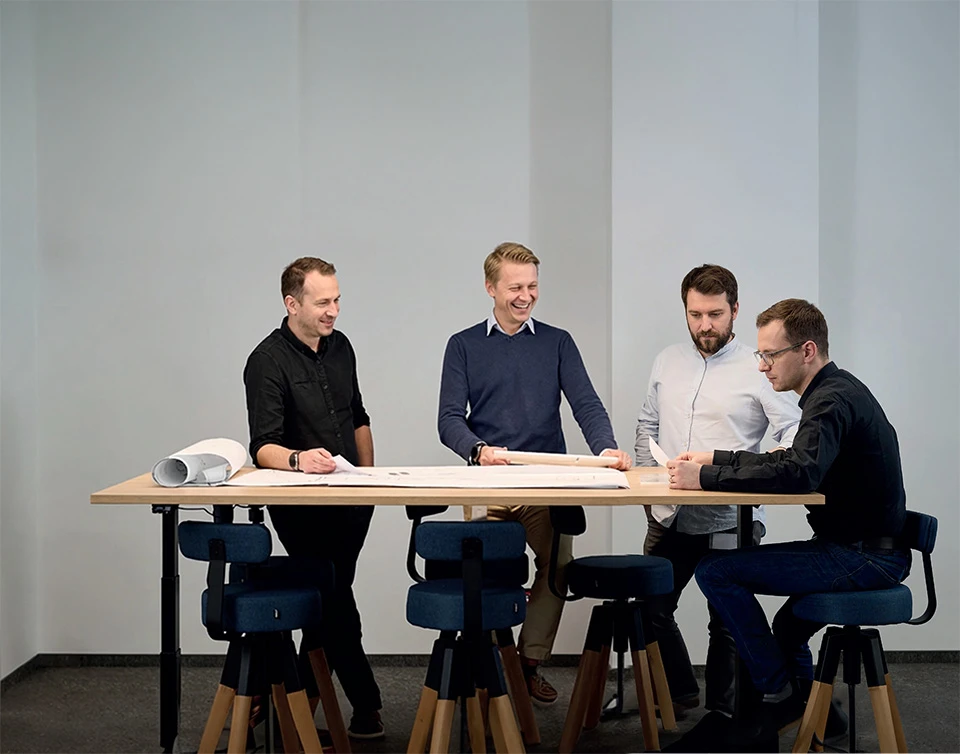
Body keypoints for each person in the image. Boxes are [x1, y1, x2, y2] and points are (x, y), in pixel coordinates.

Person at [667, 298, 910, 750]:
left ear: (807, 351)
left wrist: (705, 477)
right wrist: (717, 459)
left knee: (715, 571)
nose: (761, 367)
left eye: (769, 355)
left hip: (862, 556)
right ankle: (806, 709)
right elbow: (792, 460)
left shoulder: (831, 400)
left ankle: (775, 695)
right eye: (759, 355)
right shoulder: (833, 391)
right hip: (861, 548)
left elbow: (799, 472)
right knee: (789, 622)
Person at [438, 241, 632, 705]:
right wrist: (478, 450)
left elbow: (585, 403)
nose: (525, 296)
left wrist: (605, 447)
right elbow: (449, 419)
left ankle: (528, 663)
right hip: (489, 480)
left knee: (559, 567)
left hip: (548, 482)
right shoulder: (463, 345)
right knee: (481, 572)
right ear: (490, 288)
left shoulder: (557, 341)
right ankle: (492, 665)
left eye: (532, 286)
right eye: (515, 287)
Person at [634, 265, 800, 733]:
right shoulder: (667, 359)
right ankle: (682, 693)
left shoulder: (759, 365)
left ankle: (724, 716)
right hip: (667, 514)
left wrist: (749, 473)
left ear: (735, 311)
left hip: (731, 517)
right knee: (651, 607)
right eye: (695, 314)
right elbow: (647, 424)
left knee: (725, 620)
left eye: (715, 314)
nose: (704, 325)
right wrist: (650, 479)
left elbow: (792, 433)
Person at [243, 257, 384, 739]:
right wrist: (302, 460)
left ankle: (285, 704)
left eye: (337, 299)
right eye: (322, 302)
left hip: (353, 500)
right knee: (334, 595)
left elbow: (358, 415)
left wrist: (370, 479)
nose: (333, 311)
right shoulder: (266, 361)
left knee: (330, 598)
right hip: (302, 505)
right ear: (292, 303)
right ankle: (359, 705)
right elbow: (262, 446)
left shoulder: (341, 347)